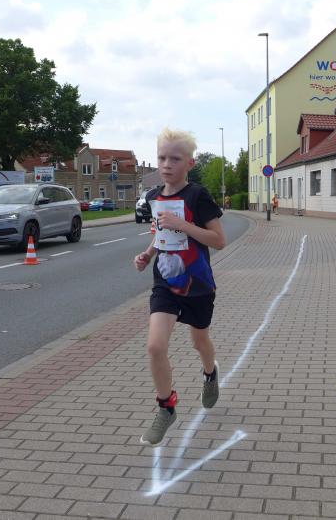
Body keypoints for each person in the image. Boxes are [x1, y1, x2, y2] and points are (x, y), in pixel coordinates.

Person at [133, 127, 225, 446]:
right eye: (162, 158)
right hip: (165, 283)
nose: (166, 164)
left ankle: (210, 373)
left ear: (189, 163)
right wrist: (147, 254)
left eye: (174, 159)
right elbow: (162, 235)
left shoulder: (198, 196)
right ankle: (166, 407)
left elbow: (219, 240)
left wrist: (184, 224)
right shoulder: (154, 197)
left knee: (199, 341)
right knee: (155, 346)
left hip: (198, 284)